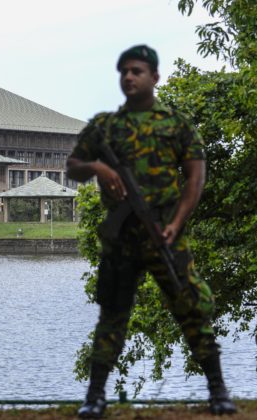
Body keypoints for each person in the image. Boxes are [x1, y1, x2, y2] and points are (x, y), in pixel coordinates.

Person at [66, 45, 237, 418]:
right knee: (112, 316)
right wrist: (100, 168)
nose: (129, 77)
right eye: (124, 71)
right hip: (121, 239)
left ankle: (218, 391)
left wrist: (176, 224)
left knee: (192, 307)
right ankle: (94, 397)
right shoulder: (105, 127)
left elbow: (195, 180)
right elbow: (73, 166)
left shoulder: (176, 125)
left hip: (164, 234)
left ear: (154, 77)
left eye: (137, 71)